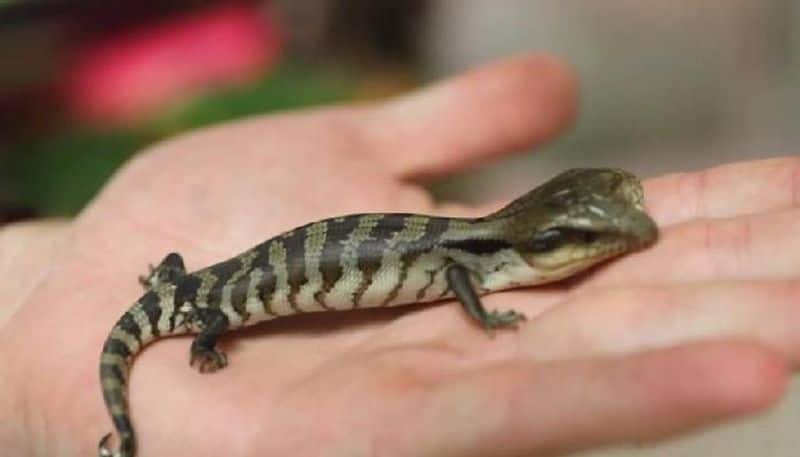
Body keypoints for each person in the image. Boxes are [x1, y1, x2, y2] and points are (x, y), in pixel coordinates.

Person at [0, 54, 796, 457]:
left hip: (195, 285)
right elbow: (458, 278)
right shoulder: (477, 261)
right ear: (540, 245)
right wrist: (202, 340)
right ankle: (126, 434)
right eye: (587, 238)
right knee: (202, 315)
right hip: (208, 297)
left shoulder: (482, 250)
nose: (599, 246)